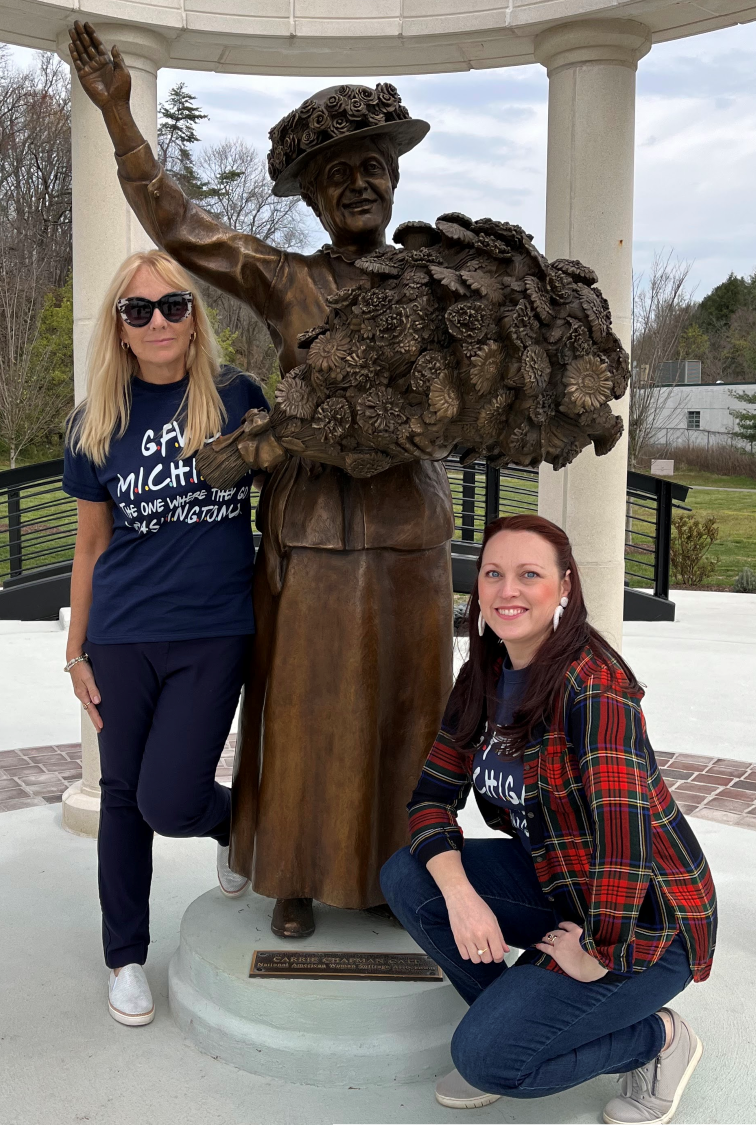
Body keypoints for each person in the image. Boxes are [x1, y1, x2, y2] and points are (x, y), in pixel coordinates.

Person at [67, 21, 454, 940]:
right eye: (337, 175)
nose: (360, 183)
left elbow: (456, 408)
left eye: (373, 168)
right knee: (306, 703)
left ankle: (400, 878)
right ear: (315, 202)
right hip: (312, 534)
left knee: (410, 709)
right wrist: (122, 119)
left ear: (396, 181)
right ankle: (292, 866)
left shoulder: (440, 289)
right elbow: (181, 225)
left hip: (408, 528)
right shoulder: (288, 280)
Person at [381, 514, 717, 1124]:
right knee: (410, 878)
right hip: (560, 879)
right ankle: (518, 1024)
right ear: (477, 587)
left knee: (488, 1062)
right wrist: (461, 896)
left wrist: (599, 952)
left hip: (645, 920)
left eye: (529, 575)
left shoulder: (594, 688)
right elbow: (430, 798)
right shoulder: (483, 675)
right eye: (494, 574)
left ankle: (658, 1040)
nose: (508, 590)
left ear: (564, 586)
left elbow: (624, 844)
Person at [63, 249, 269, 1026]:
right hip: (121, 635)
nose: (158, 321)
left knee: (170, 797)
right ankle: (124, 956)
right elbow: (89, 547)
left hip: (214, 630)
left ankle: (227, 822)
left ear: (195, 315)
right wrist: (76, 650)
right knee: (122, 796)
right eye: (138, 309)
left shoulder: (237, 397)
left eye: (173, 305)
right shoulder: (95, 423)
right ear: (118, 325)